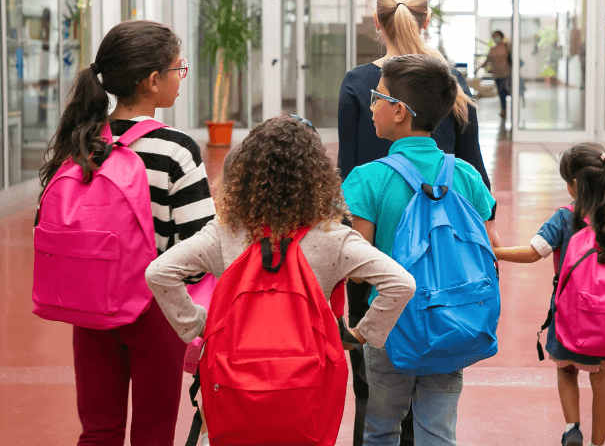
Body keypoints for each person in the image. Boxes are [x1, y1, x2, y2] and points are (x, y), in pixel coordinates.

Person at [145, 115, 416, 441]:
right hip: (307, 389)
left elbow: (159, 273)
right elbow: (401, 283)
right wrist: (362, 334)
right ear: (316, 176)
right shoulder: (333, 238)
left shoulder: (225, 233)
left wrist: (199, 325)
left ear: (245, 173)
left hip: (234, 385)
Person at [337, 0, 498, 446]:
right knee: (437, 412)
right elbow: (479, 185)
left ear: (377, 23)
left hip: (381, 268)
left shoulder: (360, 85)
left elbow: (348, 171)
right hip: (447, 288)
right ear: (427, 21)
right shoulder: (450, 85)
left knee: (376, 401)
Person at [39, 20, 216, 446]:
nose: (181, 78)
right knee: (153, 432)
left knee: (98, 430)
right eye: (178, 69)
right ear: (153, 81)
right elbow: (199, 247)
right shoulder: (175, 148)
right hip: (155, 311)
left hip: (90, 305)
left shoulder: (79, 140)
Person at [493, 142, 605, 446]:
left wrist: (496, 252)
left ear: (576, 185)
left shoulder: (566, 218)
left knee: (566, 368)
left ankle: (572, 428)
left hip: (572, 312)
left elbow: (533, 253)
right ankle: (598, 443)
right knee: (602, 378)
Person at [477, 29, 512, 118]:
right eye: (494, 36)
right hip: (497, 75)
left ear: (501, 36)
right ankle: (504, 109)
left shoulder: (507, 47)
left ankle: (512, 110)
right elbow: (487, 60)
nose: (496, 38)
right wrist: (478, 68)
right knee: (501, 93)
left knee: (508, 92)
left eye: (497, 36)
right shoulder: (493, 49)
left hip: (507, 74)